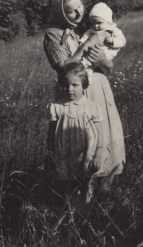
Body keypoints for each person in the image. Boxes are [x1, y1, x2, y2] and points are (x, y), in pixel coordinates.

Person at [43, 0, 125, 192]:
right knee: (78, 144)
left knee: (103, 137)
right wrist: (86, 44)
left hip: (99, 91)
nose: (79, 13)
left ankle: (104, 192)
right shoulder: (52, 35)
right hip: (74, 96)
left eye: (80, 6)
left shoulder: (86, 27)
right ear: (60, 13)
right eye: (72, 11)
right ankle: (77, 195)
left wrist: (104, 60)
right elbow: (64, 70)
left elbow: (108, 68)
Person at [47, 62, 103, 202]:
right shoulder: (57, 107)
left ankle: (85, 211)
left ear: (84, 84)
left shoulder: (92, 107)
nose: (69, 89)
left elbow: (100, 134)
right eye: (65, 85)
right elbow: (51, 135)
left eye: (75, 85)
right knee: (66, 186)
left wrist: (98, 155)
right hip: (64, 154)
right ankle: (68, 213)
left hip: (85, 154)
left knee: (86, 183)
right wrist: (50, 155)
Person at [79, 2, 126, 84]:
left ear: (108, 21)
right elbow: (86, 35)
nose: (96, 26)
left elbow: (122, 41)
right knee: (88, 63)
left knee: (97, 62)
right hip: (94, 52)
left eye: (99, 23)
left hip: (108, 52)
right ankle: (87, 77)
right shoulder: (92, 30)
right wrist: (82, 42)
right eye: (93, 23)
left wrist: (113, 40)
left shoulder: (113, 30)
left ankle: (88, 73)